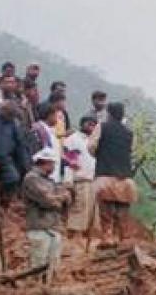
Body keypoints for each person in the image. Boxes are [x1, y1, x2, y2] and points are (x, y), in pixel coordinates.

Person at [90, 102, 137, 245]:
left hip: (105, 174)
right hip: (125, 177)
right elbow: (132, 152)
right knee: (122, 211)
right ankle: (123, 238)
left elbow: (91, 146)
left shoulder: (102, 127)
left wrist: (98, 154)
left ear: (109, 114)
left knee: (106, 210)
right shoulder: (129, 133)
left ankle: (107, 237)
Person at [22, 148, 72, 283]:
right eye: (52, 163)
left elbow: (66, 199)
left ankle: (48, 290)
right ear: (45, 162)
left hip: (53, 226)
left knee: (53, 264)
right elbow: (47, 200)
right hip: (39, 226)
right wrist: (60, 198)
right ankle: (36, 290)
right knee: (38, 264)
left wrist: (59, 198)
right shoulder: (31, 179)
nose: (54, 167)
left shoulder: (50, 181)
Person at [0, 99, 30, 209]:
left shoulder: (13, 123)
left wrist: (25, 164)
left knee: (13, 178)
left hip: (5, 157)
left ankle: (4, 202)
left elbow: (19, 143)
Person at [62, 115, 99, 247]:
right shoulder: (73, 140)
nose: (92, 127)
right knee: (78, 211)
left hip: (93, 181)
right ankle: (72, 242)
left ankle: (85, 243)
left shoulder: (94, 141)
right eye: (89, 124)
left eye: (94, 125)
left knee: (90, 214)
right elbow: (68, 163)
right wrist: (68, 183)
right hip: (79, 181)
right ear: (82, 124)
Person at [30, 102, 62, 182]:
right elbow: (36, 154)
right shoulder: (38, 130)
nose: (57, 119)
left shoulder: (51, 131)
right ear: (49, 115)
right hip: (41, 177)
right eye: (55, 116)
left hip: (53, 175)